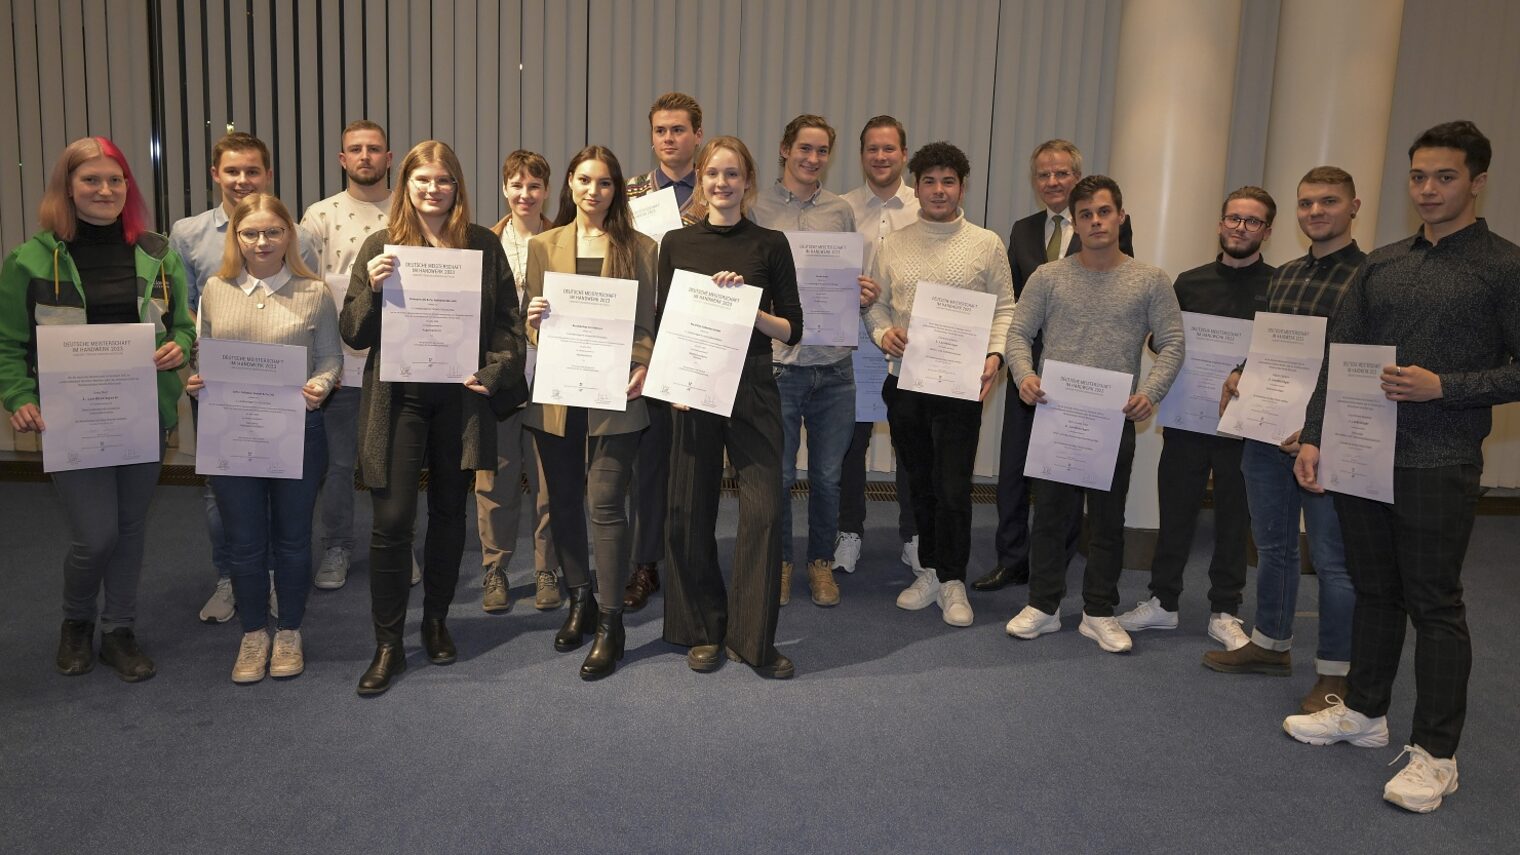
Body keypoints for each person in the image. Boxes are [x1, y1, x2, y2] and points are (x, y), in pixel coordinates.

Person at [1285, 121, 1520, 813]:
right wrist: (1316, 436)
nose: (1427, 189)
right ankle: (1363, 711)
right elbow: (1342, 354)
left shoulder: (1504, 266)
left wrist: (1445, 386)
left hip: (1439, 459)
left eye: (1444, 177)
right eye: (1418, 176)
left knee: (1435, 602)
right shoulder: (1380, 263)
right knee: (1375, 589)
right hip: (1363, 455)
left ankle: (1437, 753)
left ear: (1477, 181)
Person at [0, 136, 193, 681]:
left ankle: (119, 630)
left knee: (130, 530)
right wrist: (18, 397)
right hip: (70, 420)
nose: (105, 190)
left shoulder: (157, 253)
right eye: (91, 180)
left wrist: (180, 344)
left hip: (142, 416)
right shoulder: (30, 259)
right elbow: (9, 342)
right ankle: (76, 621)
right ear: (68, 187)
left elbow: (180, 323)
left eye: (115, 179)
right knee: (96, 535)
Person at [342, 141, 526, 696]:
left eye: (443, 179)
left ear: (457, 187)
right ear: (406, 184)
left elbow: (508, 326)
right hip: (398, 402)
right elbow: (353, 332)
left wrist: (493, 373)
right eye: (422, 179)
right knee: (393, 521)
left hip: (460, 400)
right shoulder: (382, 246)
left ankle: (437, 621)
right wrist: (373, 291)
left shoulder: (483, 246)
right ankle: (388, 644)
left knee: (449, 515)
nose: (432, 189)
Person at [1204, 166, 1365, 714]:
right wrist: (1240, 372)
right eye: (1306, 203)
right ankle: (1271, 645)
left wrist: (1319, 429)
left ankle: (1336, 673)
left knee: (1331, 559)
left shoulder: (1370, 276)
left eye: (1328, 202)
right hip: (1266, 431)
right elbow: (1274, 347)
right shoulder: (1287, 274)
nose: (1316, 212)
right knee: (1272, 545)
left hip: (1327, 439)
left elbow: (1359, 367)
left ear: (1353, 207)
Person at [1004, 175, 1184, 653]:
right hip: (1057, 418)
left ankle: (1099, 611)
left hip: (1113, 420)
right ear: (1075, 222)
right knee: (1050, 517)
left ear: (1121, 217)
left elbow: (1173, 344)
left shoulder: (1150, 280)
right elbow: (1017, 334)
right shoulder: (1048, 276)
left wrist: (1152, 391)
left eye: (1104, 212)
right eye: (1086, 215)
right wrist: (1023, 375)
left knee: (1106, 521)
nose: (1096, 221)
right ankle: (1042, 606)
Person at [659, 135, 804, 678]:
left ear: (748, 182)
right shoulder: (675, 243)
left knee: (763, 511)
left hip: (754, 385)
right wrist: (671, 380)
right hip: (693, 388)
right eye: (714, 173)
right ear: (701, 178)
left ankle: (752, 637)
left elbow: (793, 327)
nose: (723, 183)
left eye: (733, 174)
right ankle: (704, 629)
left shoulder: (770, 244)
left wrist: (750, 304)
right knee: (687, 512)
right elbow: (666, 320)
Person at [187, 193, 340, 683]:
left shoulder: (314, 291)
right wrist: (197, 378)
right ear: (236, 237)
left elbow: (330, 358)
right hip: (231, 433)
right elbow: (203, 353)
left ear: (288, 236)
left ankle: (289, 629)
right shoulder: (215, 288)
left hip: (298, 429)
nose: (261, 241)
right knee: (245, 542)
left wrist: (321, 384)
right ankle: (254, 633)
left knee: (293, 540)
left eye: (273, 232)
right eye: (249, 232)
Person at [862, 141, 1015, 628]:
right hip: (905, 382)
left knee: (953, 486)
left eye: (948, 181)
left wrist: (994, 355)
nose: (938, 190)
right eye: (929, 181)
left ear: (961, 187)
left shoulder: (986, 243)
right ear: (918, 187)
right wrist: (885, 333)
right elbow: (876, 305)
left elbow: (1006, 309)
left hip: (959, 387)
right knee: (918, 483)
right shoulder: (894, 244)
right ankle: (928, 568)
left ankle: (953, 580)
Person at [1116, 187, 1274, 650]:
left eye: (1252, 221)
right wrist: (1161, 344)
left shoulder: (1279, 285)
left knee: (1233, 517)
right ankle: (1163, 602)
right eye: (1233, 219)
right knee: (1177, 511)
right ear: (1221, 224)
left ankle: (1225, 609)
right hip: (1188, 419)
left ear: (1266, 229)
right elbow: (1160, 341)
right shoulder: (1188, 282)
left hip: (1245, 424)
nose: (1240, 228)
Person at [170, 132, 318, 624]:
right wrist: (197, 372)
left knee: (285, 500)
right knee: (223, 497)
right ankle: (232, 578)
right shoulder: (188, 235)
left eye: (252, 170)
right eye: (232, 170)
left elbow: (311, 314)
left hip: (284, 398)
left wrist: (314, 380)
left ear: (266, 174)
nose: (241, 179)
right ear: (216, 174)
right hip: (223, 392)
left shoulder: (293, 232)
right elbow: (183, 313)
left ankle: (275, 582)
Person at [523, 145, 657, 679]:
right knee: (561, 500)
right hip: (558, 393)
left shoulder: (640, 248)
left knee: (604, 503)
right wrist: (532, 319)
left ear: (615, 189)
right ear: (570, 186)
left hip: (616, 395)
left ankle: (610, 619)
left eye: (603, 183)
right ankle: (579, 598)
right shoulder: (542, 244)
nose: (592, 191)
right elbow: (536, 322)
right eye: (584, 180)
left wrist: (642, 366)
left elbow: (646, 326)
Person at [976, 139, 1134, 594]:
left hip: (1080, 375)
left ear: (1077, 177)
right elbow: (1010, 299)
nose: (1052, 182)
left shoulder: (1105, 226)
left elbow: (1118, 289)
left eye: (1062, 173)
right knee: (1013, 470)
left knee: (1067, 470)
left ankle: (1056, 562)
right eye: (1043, 174)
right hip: (1028, 370)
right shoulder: (1023, 230)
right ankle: (1011, 560)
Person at [749, 114, 870, 608]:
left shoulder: (840, 211)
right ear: (784, 148)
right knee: (779, 476)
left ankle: (820, 563)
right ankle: (779, 564)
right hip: (780, 364)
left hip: (835, 366)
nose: (812, 159)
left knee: (827, 476)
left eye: (822, 151)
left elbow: (847, 277)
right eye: (804, 148)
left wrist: (861, 291)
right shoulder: (756, 209)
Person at [298, 120, 402, 592]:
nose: (365, 156)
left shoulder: (408, 210)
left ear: (389, 157)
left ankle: (399, 544)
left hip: (396, 362)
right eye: (355, 149)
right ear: (342, 159)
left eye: (374, 149)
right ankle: (337, 547)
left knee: (394, 461)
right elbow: (305, 285)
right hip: (338, 360)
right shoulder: (318, 215)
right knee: (339, 465)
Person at [622, 91, 706, 612]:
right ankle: (644, 563)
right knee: (646, 464)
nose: (669, 139)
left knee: (697, 460)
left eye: (678, 129)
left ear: (697, 134)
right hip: (647, 341)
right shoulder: (629, 193)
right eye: (660, 130)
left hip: (699, 341)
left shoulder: (716, 191)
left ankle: (688, 562)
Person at [477, 150, 560, 613]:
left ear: (546, 190)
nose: (524, 194)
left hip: (552, 375)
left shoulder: (565, 241)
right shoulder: (483, 243)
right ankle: (496, 568)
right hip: (502, 377)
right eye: (516, 185)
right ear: (504, 189)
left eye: (534, 186)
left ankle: (546, 567)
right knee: (496, 476)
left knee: (550, 479)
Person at [838, 115, 921, 577]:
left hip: (908, 346)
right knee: (851, 443)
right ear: (862, 154)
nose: (881, 157)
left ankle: (911, 535)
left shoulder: (924, 207)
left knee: (909, 442)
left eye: (889, 149)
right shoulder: (844, 208)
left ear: (904, 154)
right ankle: (849, 532)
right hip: (855, 343)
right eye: (872, 149)